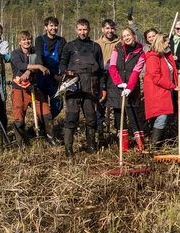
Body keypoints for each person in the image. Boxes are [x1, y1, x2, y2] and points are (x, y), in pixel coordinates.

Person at [59, 19, 103, 157]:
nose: (82, 32)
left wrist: (102, 88)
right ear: (76, 30)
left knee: (91, 118)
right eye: (80, 29)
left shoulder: (95, 47)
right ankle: (68, 149)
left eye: (85, 29)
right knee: (72, 117)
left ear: (89, 30)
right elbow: (62, 65)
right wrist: (67, 75)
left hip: (91, 85)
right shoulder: (69, 46)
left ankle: (91, 146)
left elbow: (101, 69)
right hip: (74, 85)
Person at [107, 26, 146, 152]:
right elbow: (112, 67)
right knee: (119, 116)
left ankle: (141, 146)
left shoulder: (141, 52)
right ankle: (123, 146)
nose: (126, 38)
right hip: (116, 87)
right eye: (124, 36)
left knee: (133, 115)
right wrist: (119, 83)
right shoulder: (118, 48)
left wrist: (129, 87)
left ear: (133, 35)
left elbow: (136, 72)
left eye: (128, 35)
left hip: (131, 88)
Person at [10, 31, 51, 145]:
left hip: (34, 88)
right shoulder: (15, 53)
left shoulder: (35, 52)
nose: (27, 41)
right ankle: (21, 143)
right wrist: (37, 67)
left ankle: (50, 139)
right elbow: (20, 65)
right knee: (19, 118)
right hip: (19, 89)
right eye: (24, 40)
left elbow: (39, 61)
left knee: (46, 113)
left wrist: (30, 70)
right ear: (19, 42)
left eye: (28, 39)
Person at [143, 33, 180, 146]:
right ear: (161, 43)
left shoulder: (164, 55)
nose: (169, 45)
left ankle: (158, 142)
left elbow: (168, 69)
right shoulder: (152, 58)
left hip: (166, 90)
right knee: (162, 116)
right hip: (157, 92)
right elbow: (157, 78)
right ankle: (154, 145)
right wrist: (173, 86)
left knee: (164, 116)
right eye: (167, 43)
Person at [35, 16, 66, 121]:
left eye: (56, 25)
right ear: (46, 27)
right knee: (42, 105)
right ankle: (43, 128)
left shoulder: (61, 41)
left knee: (58, 104)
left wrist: (62, 75)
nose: (54, 28)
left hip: (55, 79)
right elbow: (40, 58)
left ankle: (44, 122)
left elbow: (63, 59)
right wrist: (53, 75)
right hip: (42, 76)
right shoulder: (39, 40)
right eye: (51, 25)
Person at [95, 19, 120, 132]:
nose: (110, 31)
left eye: (112, 28)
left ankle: (118, 128)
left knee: (116, 103)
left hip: (115, 78)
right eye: (107, 28)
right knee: (100, 102)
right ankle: (100, 128)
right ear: (103, 29)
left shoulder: (120, 43)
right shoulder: (96, 44)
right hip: (100, 78)